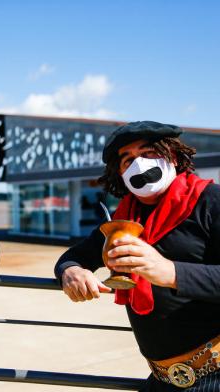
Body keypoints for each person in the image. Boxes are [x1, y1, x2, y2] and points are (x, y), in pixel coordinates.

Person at [54, 121, 220, 391]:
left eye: (148, 153)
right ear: (120, 173)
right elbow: (75, 255)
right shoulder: (121, 222)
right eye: (127, 159)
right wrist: (71, 270)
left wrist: (171, 272)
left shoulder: (211, 201)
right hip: (161, 379)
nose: (138, 164)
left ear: (173, 156)